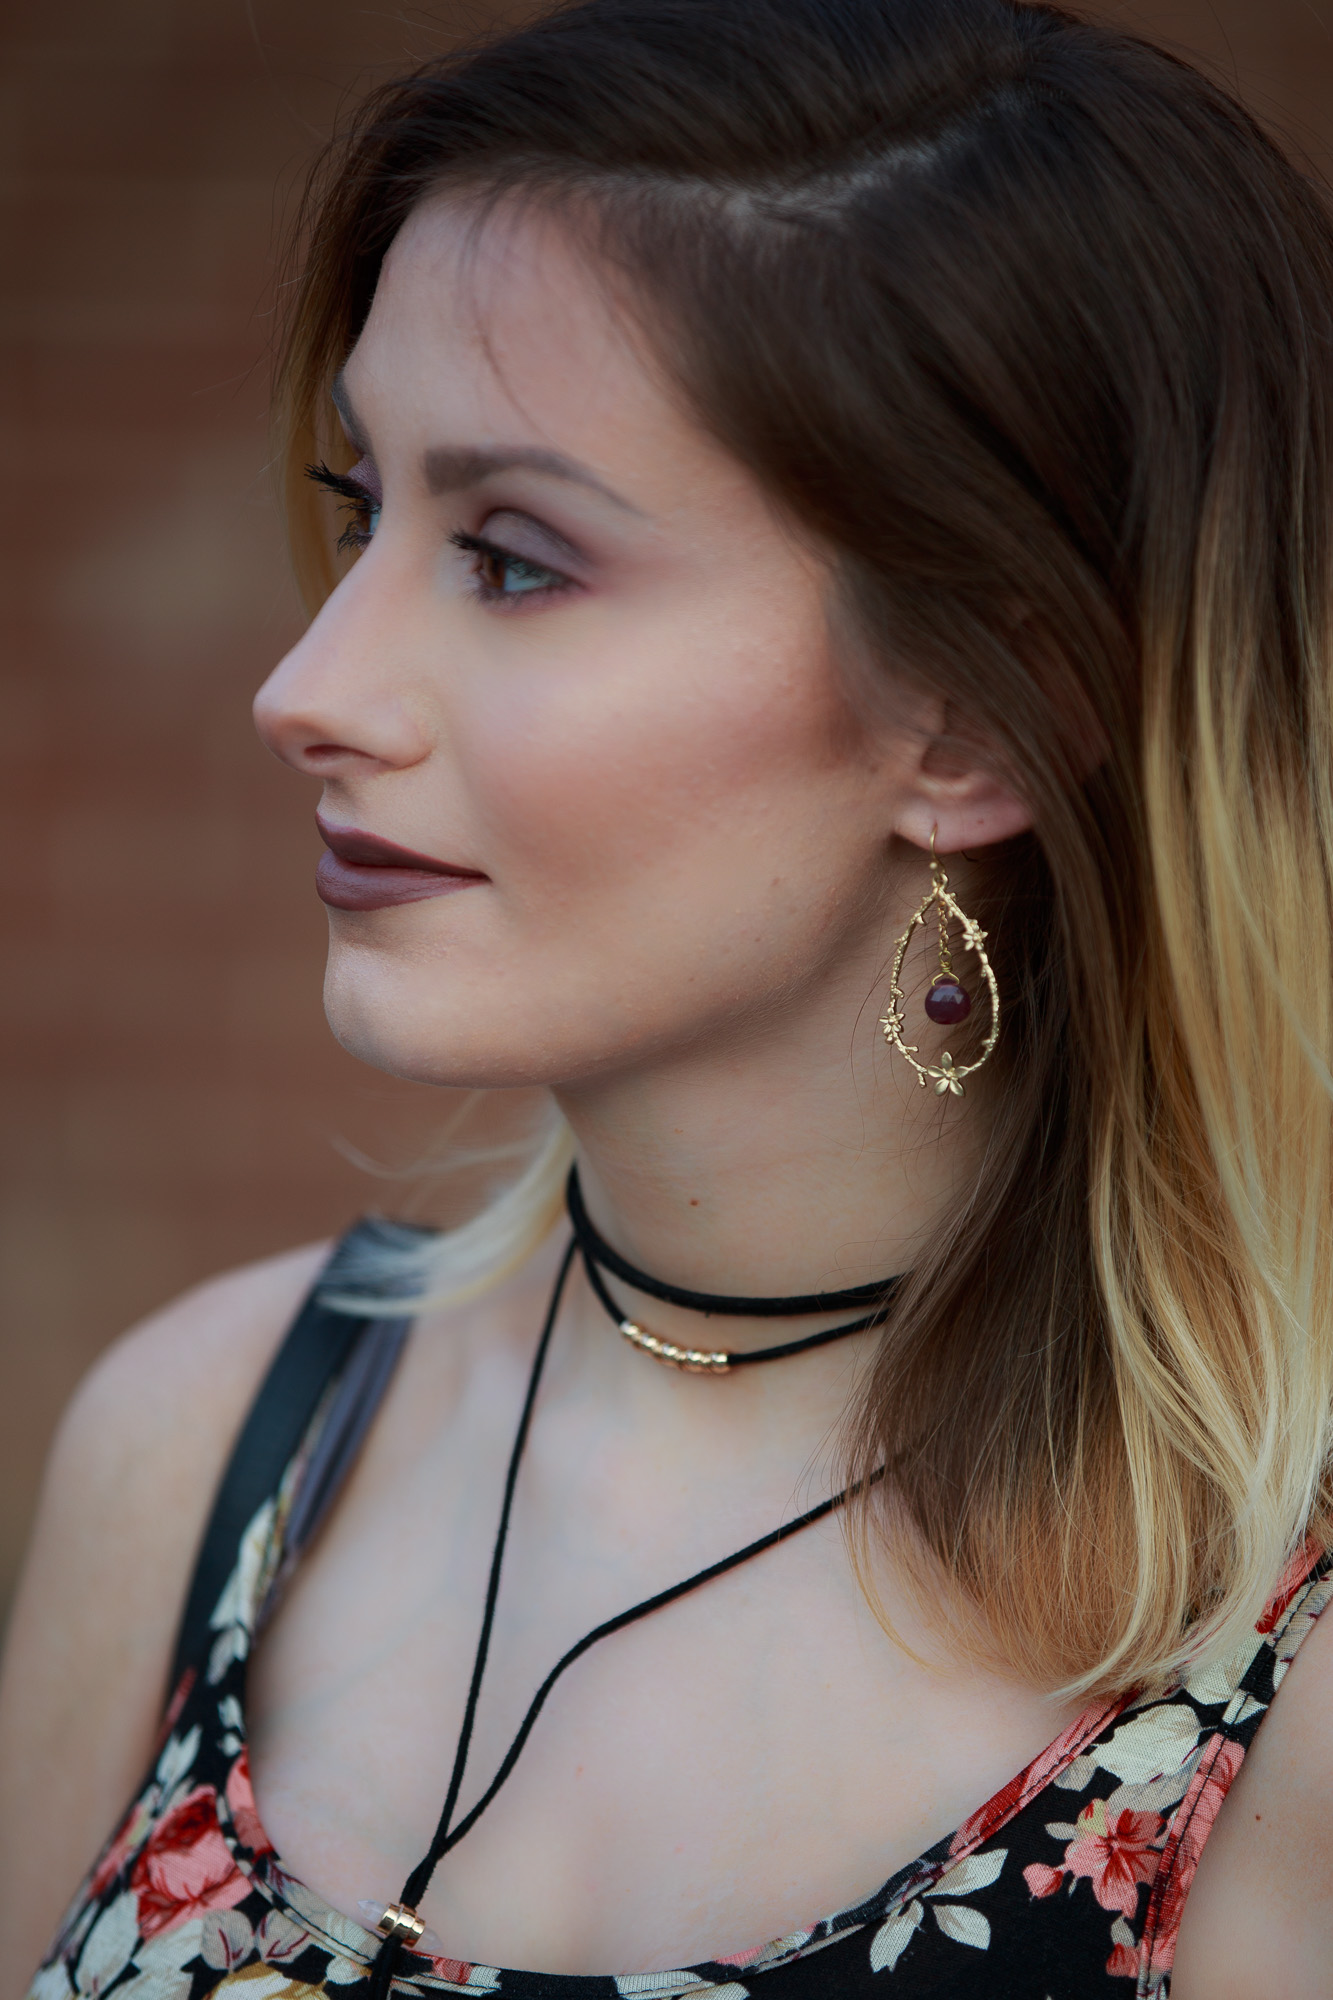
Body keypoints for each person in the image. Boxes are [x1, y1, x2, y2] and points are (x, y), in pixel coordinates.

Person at [5, 0, 1333, 1992]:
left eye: (519, 558)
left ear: (982, 712)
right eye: (367, 512)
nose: (307, 689)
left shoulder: (1281, 1661)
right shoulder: (204, 1446)